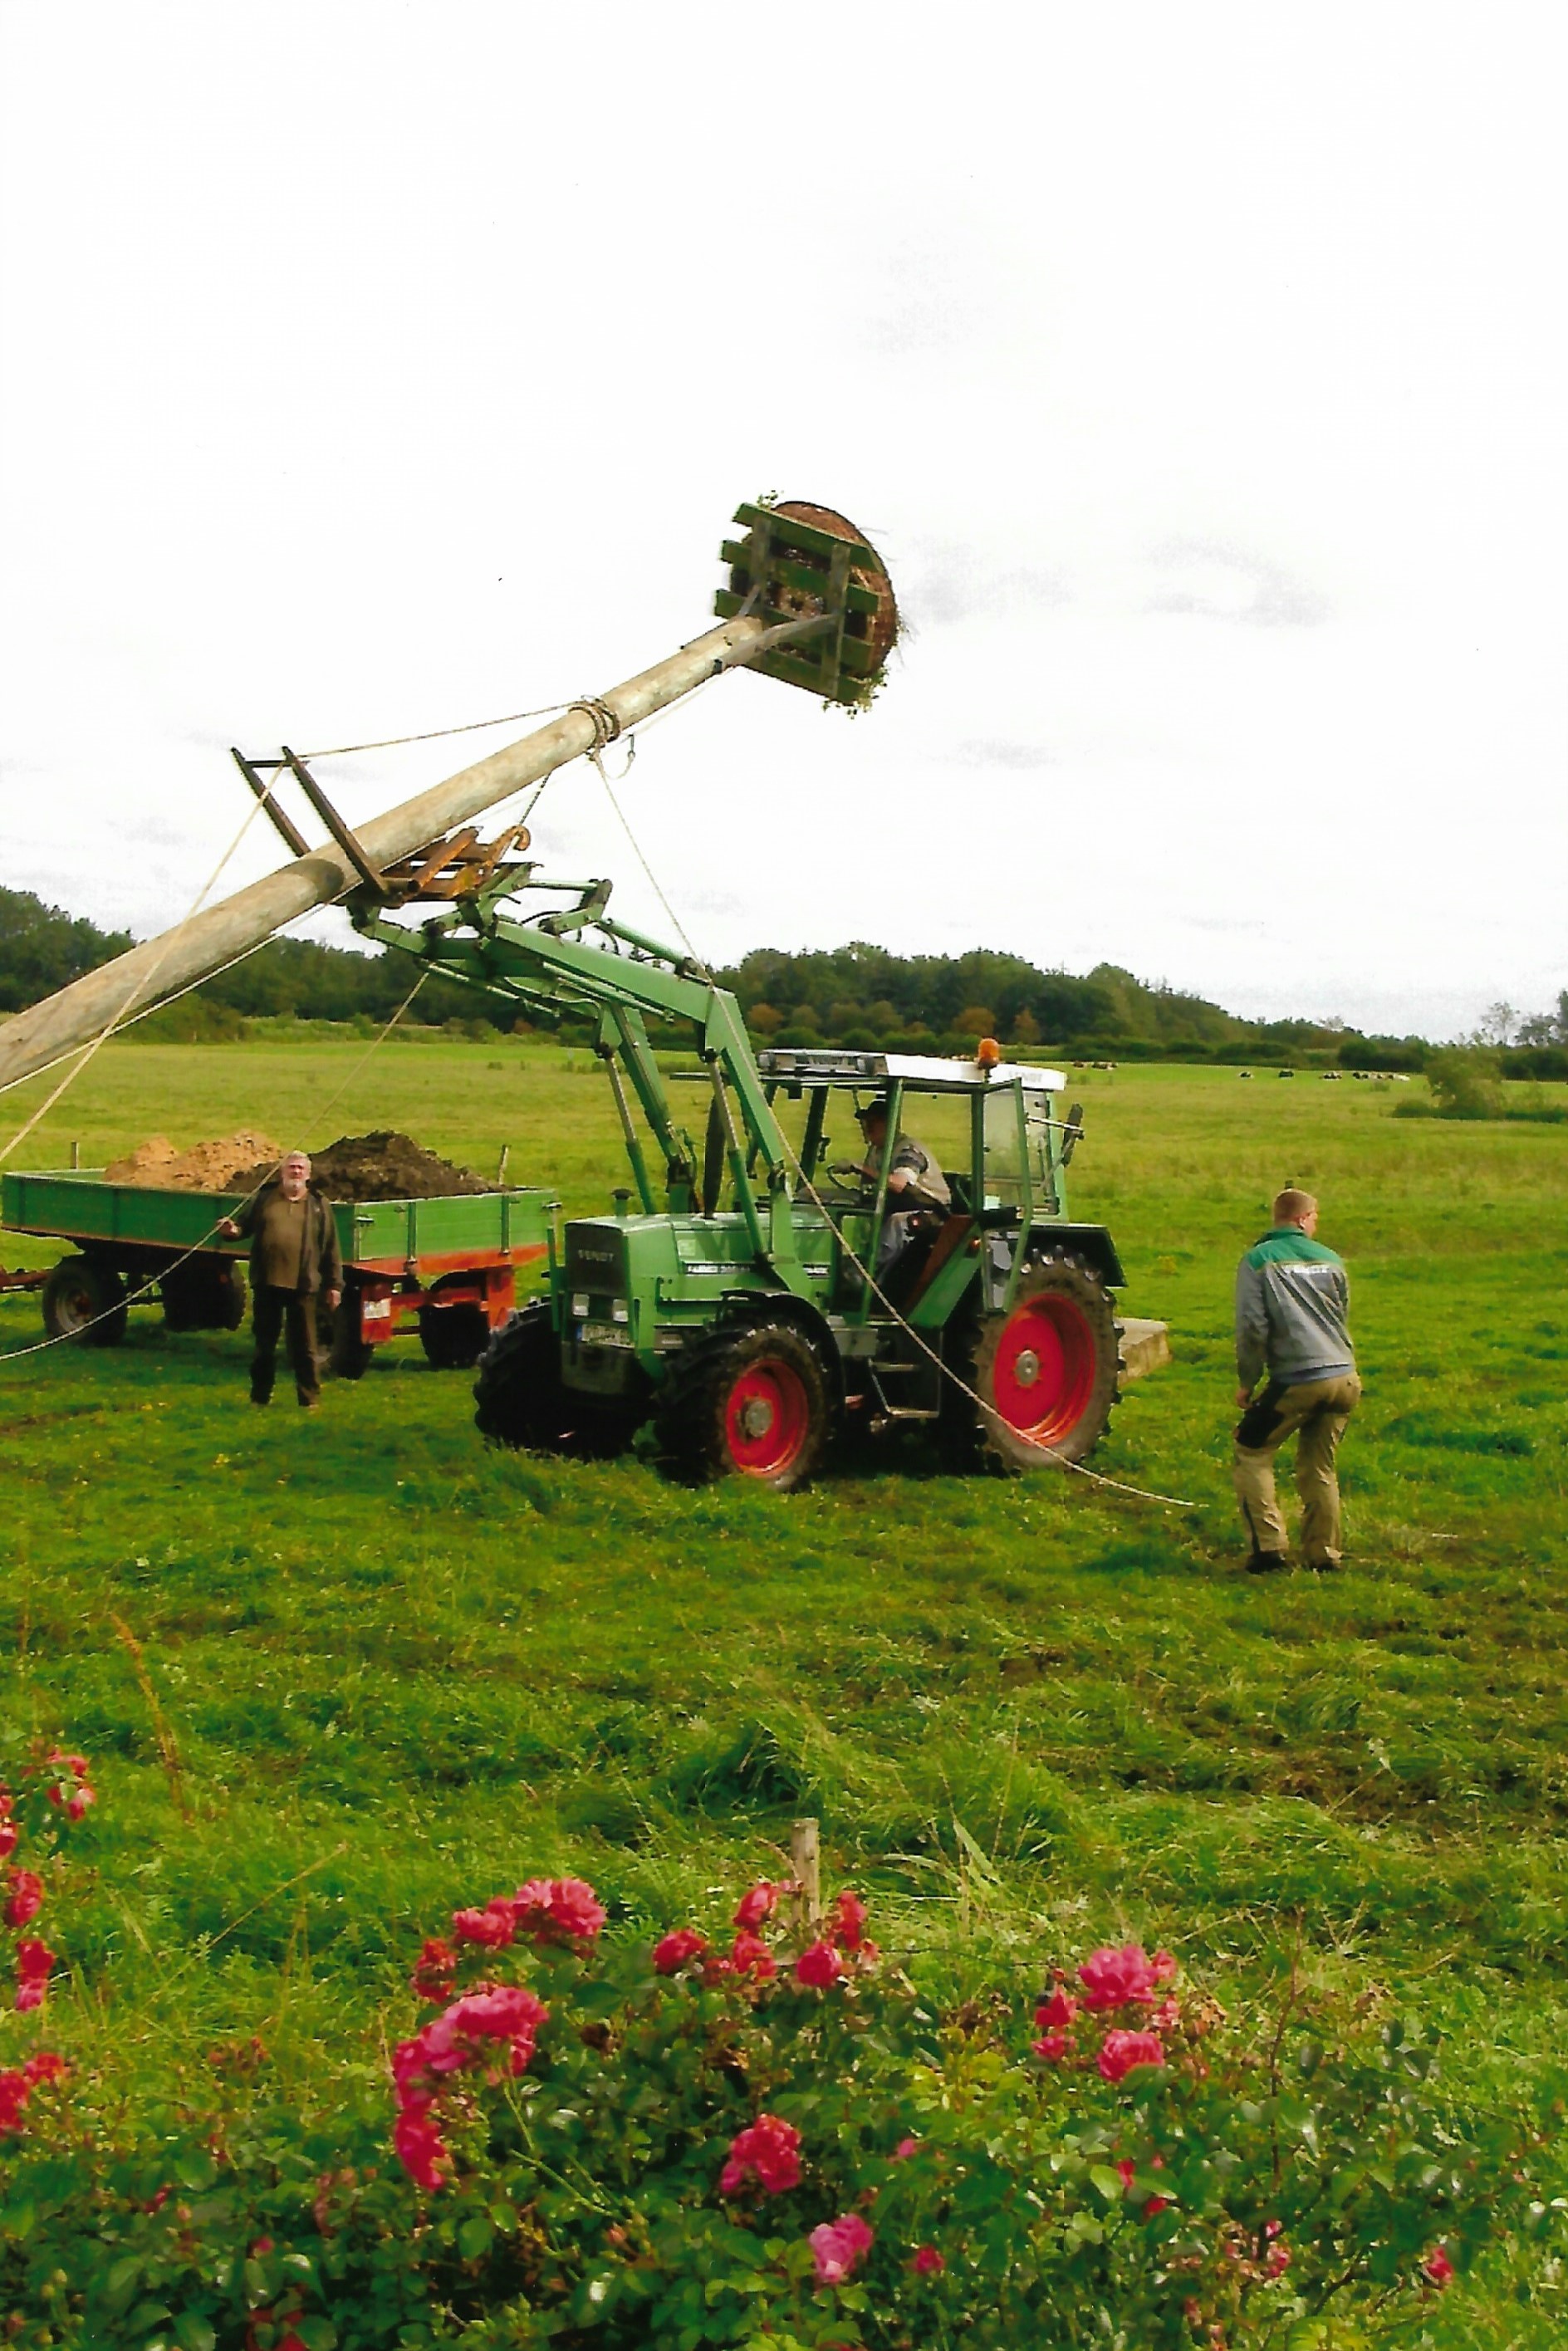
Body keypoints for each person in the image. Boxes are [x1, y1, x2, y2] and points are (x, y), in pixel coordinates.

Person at [1232, 1187, 1360, 1573]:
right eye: (1316, 1217)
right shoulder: (1332, 1260)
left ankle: (1269, 1548)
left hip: (1299, 1378)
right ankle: (1324, 1554)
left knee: (1251, 1450)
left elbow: (1253, 1327)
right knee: (1319, 1467)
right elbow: (1342, 1312)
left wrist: (1248, 1382)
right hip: (1345, 1377)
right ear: (1304, 1218)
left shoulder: (1257, 1261)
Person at [218, 1150, 343, 1408]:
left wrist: (334, 1285)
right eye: (291, 1168)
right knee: (264, 1347)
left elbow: (331, 1248)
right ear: (282, 1172)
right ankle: (260, 1398)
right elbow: (243, 1227)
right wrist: (231, 1231)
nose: (295, 1172)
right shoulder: (264, 1198)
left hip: (303, 1286)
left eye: (300, 1168)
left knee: (305, 1348)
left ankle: (309, 1400)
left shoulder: (319, 1205)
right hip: (267, 1284)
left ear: (308, 1175)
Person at [854, 1097, 951, 1277]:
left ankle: (876, 1277)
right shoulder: (877, 1151)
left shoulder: (908, 1150)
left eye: (872, 1122)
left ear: (889, 1123)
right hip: (900, 1205)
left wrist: (861, 1168)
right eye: (865, 1122)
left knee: (896, 1223)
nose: (866, 1127)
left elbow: (900, 1184)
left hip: (934, 1213)